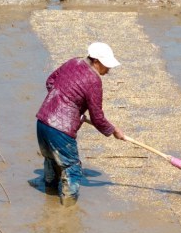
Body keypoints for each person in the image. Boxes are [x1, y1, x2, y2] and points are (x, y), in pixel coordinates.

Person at [35, 41, 127, 205]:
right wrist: (113, 130)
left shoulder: (73, 62)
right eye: (107, 65)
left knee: (51, 159)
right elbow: (97, 118)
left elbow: (50, 82)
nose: (109, 70)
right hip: (60, 130)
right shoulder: (94, 81)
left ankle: (48, 199)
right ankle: (68, 211)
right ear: (96, 61)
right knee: (72, 167)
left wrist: (63, 103)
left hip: (42, 121)